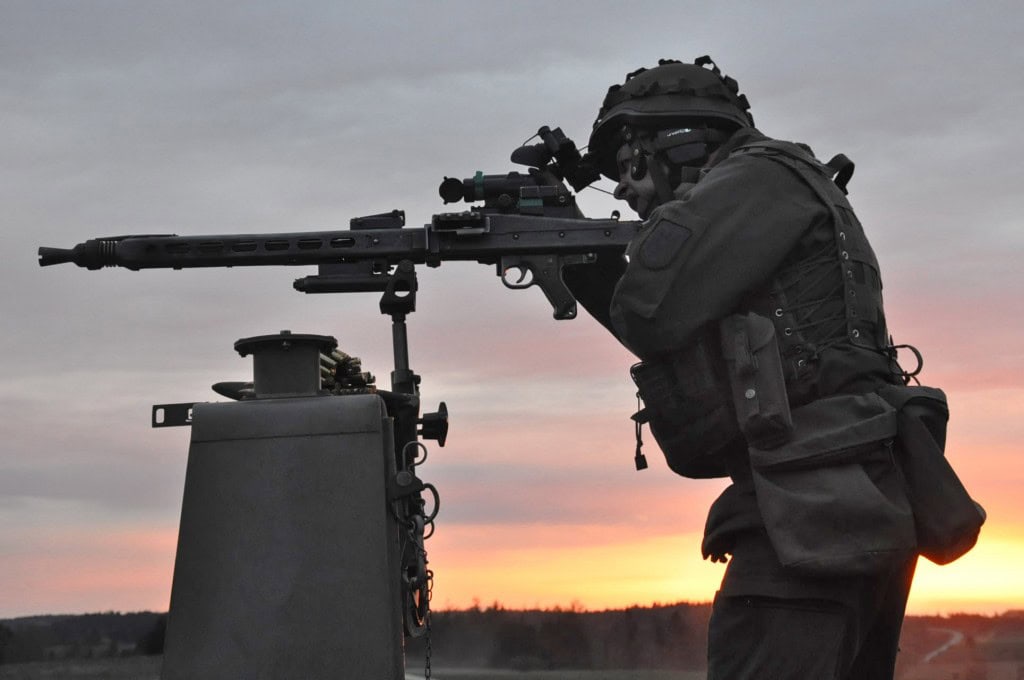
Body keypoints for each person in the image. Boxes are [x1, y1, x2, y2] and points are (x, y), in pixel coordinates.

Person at [564, 57, 923, 679]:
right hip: (837, 501)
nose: (623, 190)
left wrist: (573, 244)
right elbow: (669, 332)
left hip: (810, 516)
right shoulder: (777, 190)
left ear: (676, 145)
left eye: (628, 167)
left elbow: (646, 309)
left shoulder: (755, 179)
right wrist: (573, 251)